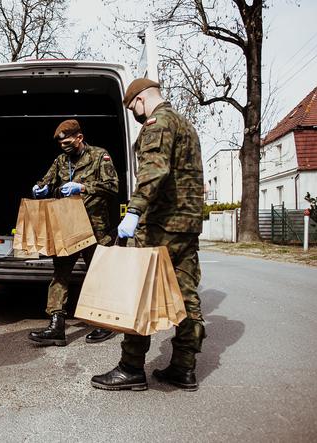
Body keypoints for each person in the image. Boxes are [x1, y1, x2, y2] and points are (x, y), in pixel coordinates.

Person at [91, 78, 206, 392]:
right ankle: (184, 368)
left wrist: (134, 211)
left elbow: (154, 170)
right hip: (187, 226)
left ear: (141, 99)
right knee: (186, 294)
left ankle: (131, 368)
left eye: (132, 109)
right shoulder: (186, 125)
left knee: (138, 292)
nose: (135, 115)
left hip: (160, 226)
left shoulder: (157, 124)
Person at [28, 119, 119, 346]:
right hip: (68, 226)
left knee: (98, 274)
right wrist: (40, 188)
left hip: (95, 228)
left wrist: (83, 187)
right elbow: (46, 180)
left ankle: (104, 324)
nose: (64, 147)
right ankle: (56, 326)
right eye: (61, 144)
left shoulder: (99, 156)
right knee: (60, 274)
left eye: (68, 142)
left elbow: (113, 186)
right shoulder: (61, 161)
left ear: (79, 137)